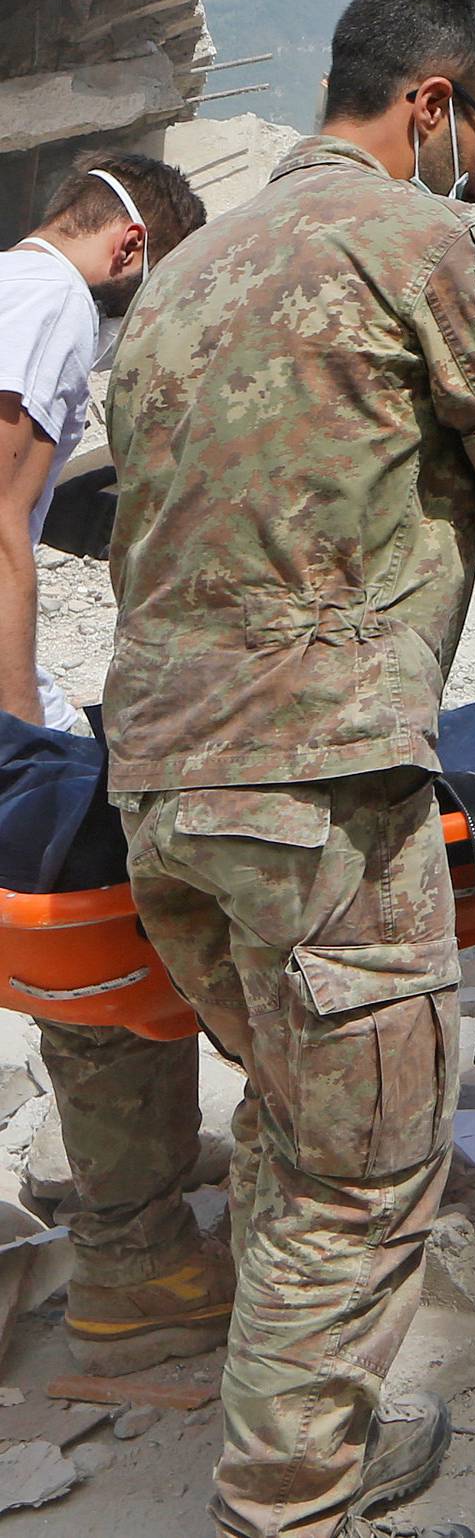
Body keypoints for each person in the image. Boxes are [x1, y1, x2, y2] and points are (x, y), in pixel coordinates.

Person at [103, 0, 475, 1538]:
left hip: (162, 782)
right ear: (434, 102)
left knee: (295, 1122)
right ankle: (292, 1504)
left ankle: (305, 1432)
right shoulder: (417, 234)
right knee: (366, 1167)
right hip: (318, 786)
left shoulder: (186, 267)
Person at [0, 152, 232, 1373]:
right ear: (132, 252)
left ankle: (129, 1202)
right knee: (94, 904)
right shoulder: (50, 307)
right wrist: (21, 730)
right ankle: (136, 1254)